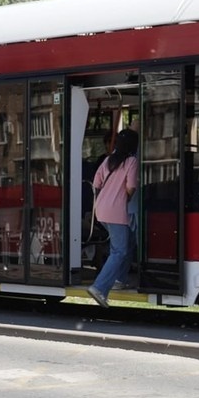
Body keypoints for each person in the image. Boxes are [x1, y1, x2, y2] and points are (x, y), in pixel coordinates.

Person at [87, 128, 139, 308]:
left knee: (128, 242)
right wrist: (125, 196)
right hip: (116, 212)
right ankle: (99, 287)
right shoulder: (131, 161)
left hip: (101, 209)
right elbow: (131, 187)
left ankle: (119, 279)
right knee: (119, 251)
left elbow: (96, 183)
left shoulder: (109, 160)